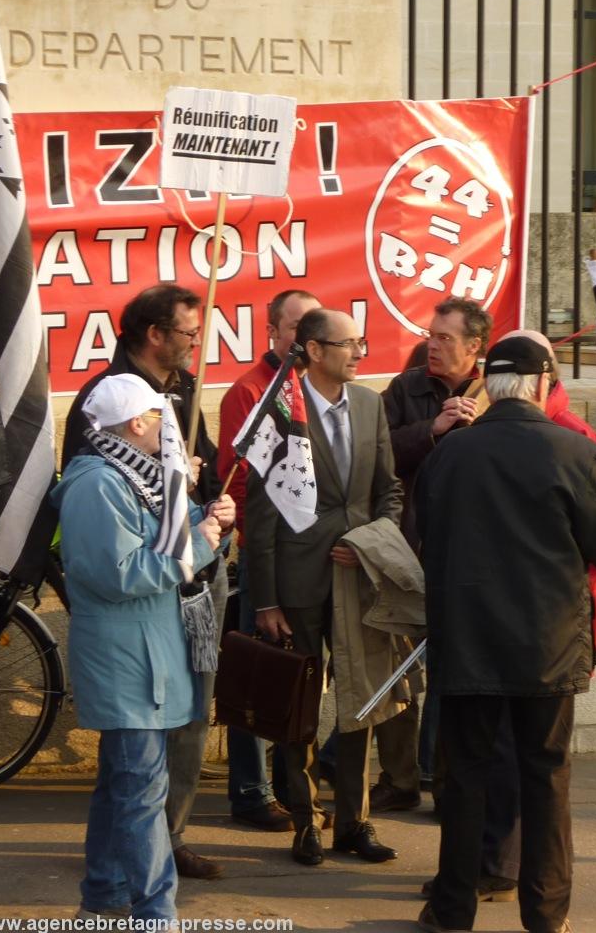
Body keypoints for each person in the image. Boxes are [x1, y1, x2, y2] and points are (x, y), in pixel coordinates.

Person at [414, 336, 596, 933]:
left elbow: (423, 535)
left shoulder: (450, 454)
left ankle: (452, 910)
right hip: (547, 644)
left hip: (467, 642)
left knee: (463, 780)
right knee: (546, 781)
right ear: (543, 385)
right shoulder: (573, 451)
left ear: (489, 385)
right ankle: (546, 916)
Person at [62, 283, 230, 881]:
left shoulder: (182, 391)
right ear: (154, 334)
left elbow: (194, 470)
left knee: (170, 741)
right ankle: (151, 887)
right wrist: (195, 531)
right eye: (189, 333)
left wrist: (204, 510)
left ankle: (144, 855)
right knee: (135, 777)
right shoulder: (109, 404)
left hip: (181, 597)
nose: (196, 343)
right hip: (136, 625)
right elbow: (112, 561)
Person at [247, 308, 403, 868]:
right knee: (301, 707)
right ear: (313, 350)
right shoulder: (282, 411)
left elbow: (389, 490)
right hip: (298, 584)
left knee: (361, 698)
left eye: (362, 342)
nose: (360, 353)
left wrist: (372, 544)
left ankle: (355, 822)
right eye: (348, 344)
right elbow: (261, 512)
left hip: (358, 577)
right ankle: (306, 822)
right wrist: (265, 598)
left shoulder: (369, 404)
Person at [378, 297, 493, 813]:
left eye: (446, 338)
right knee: (398, 674)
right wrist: (432, 429)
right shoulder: (405, 390)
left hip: (469, 557)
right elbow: (378, 454)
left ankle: (448, 786)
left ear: (474, 347)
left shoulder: (495, 393)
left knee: (456, 677)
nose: (433, 345)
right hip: (409, 548)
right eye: (431, 334)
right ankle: (399, 780)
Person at [218, 288, 321, 832]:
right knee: (257, 673)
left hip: (309, 558)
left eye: (313, 327)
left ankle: (291, 785)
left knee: (297, 677)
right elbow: (235, 476)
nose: (303, 337)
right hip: (264, 553)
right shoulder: (252, 390)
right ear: (273, 333)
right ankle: (250, 792)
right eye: (295, 327)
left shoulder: (315, 390)